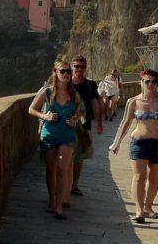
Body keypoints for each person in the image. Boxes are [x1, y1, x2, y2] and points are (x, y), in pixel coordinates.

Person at [110, 69, 158, 223]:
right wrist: (117, 142)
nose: (151, 84)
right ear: (141, 82)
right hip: (139, 142)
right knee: (139, 176)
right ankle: (139, 210)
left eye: (154, 82)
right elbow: (125, 123)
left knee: (154, 179)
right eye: (147, 81)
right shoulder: (133, 102)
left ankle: (148, 206)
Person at [28, 60, 85, 220]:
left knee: (62, 169)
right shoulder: (47, 92)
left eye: (68, 71)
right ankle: (52, 201)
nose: (66, 74)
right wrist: (45, 116)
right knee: (51, 170)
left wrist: (75, 118)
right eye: (63, 71)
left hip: (67, 137)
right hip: (49, 136)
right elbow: (31, 109)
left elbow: (81, 111)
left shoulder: (74, 94)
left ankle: (59, 207)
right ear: (56, 73)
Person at [70, 55, 103, 196]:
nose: (79, 69)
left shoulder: (91, 85)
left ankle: (74, 185)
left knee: (79, 156)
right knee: (66, 155)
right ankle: (65, 184)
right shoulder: (65, 82)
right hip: (64, 124)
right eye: (76, 66)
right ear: (71, 66)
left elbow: (96, 103)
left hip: (84, 125)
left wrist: (99, 123)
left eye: (82, 66)